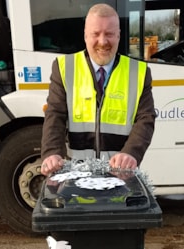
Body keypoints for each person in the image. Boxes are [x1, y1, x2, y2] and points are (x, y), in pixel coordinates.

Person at [40, 3, 155, 176]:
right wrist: (52, 152)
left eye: (109, 34)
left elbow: (146, 119)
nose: (102, 42)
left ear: (118, 35)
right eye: (95, 34)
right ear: (85, 35)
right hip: (77, 173)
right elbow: (55, 114)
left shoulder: (139, 72)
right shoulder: (64, 68)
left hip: (120, 174)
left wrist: (131, 152)